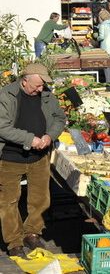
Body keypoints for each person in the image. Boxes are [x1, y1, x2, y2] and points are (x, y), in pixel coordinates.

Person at [0, 63, 66, 257]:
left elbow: (59, 118)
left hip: (39, 157)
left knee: (40, 199)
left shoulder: (45, 94)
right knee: (8, 201)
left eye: (42, 86)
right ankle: (14, 242)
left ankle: (32, 232)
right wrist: (30, 139)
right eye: (37, 85)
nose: (40, 89)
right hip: (10, 157)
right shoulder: (6, 95)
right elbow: (2, 127)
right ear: (24, 80)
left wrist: (49, 136)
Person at [97, 9, 110, 83]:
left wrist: (97, 37)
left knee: (106, 66)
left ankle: (108, 82)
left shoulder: (103, 25)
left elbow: (101, 37)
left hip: (105, 48)